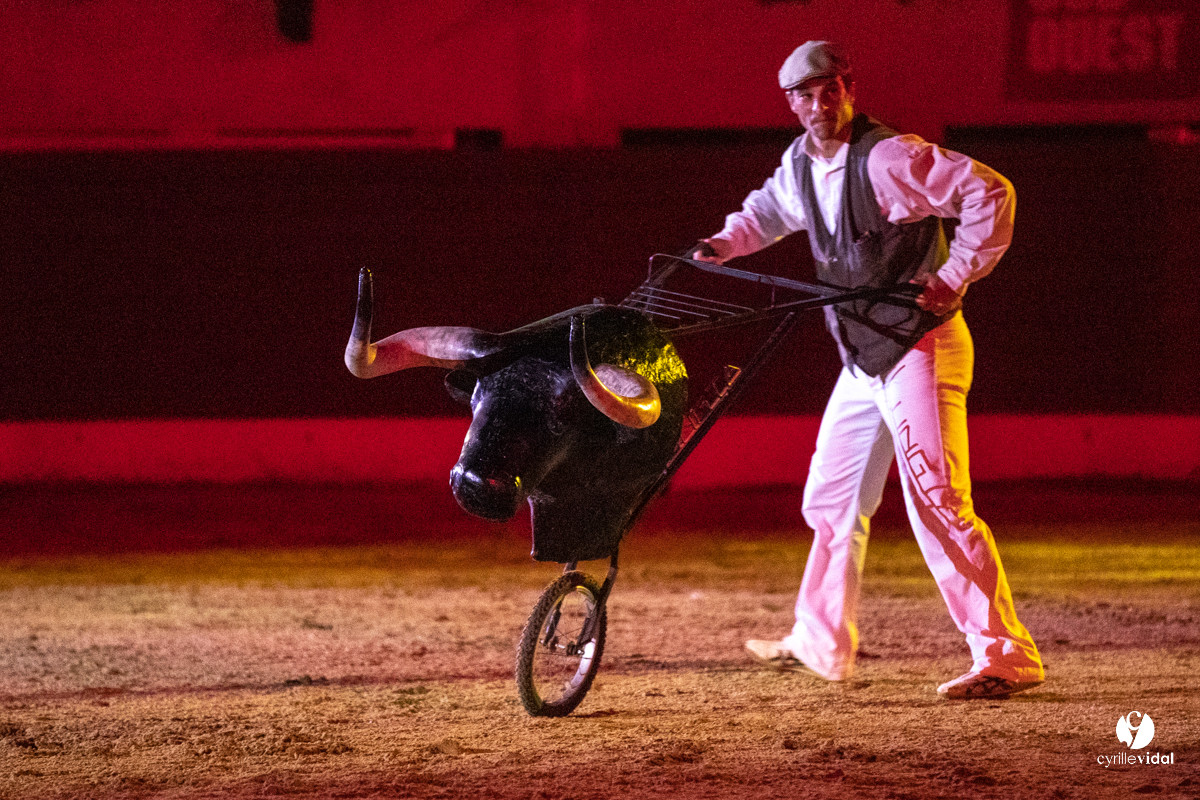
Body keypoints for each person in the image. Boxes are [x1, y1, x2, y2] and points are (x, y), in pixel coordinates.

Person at [693, 40, 1044, 699]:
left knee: (938, 501)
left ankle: (1006, 655)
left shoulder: (888, 157)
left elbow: (989, 192)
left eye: (832, 90)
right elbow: (767, 214)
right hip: (864, 359)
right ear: (791, 103)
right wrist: (719, 246)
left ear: (848, 88)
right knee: (831, 497)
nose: (821, 104)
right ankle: (821, 641)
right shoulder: (800, 163)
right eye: (806, 95)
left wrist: (952, 274)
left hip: (921, 347)